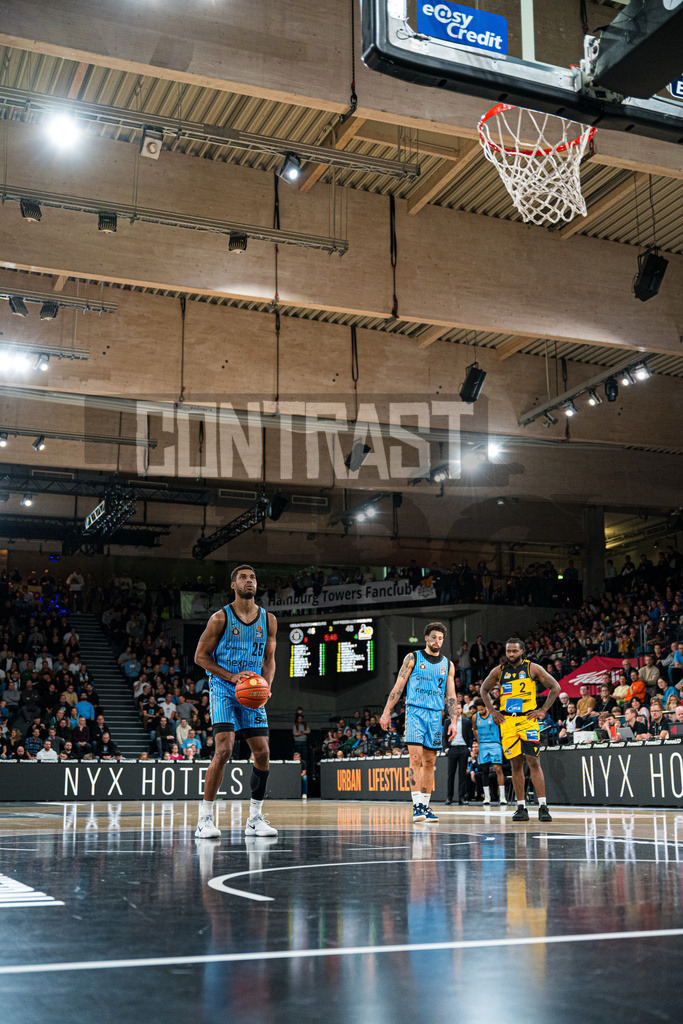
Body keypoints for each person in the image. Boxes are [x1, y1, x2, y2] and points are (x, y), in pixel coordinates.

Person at [193, 565, 277, 839]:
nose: (249, 581)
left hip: (252, 692)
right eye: (243, 577)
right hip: (224, 689)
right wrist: (231, 677)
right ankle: (205, 818)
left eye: (253, 576)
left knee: (263, 752)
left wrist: (266, 687)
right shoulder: (220, 618)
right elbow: (200, 657)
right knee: (225, 749)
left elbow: (269, 660)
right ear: (233, 585)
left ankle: (254, 819)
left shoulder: (269, 620)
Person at [380, 621, 457, 823]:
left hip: (435, 715)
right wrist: (387, 711)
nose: (437, 641)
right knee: (415, 758)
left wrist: (454, 721)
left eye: (440, 638)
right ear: (426, 638)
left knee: (430, 761)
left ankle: (425, 805)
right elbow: (399, 686)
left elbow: (451, 696)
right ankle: (416, 807)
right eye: (433, 637)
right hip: (415, 711)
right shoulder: (413, 657)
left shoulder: (448, 664)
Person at [480, 638, 560, 823]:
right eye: (509, 651)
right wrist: (492, 711)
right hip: (507, 721)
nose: (511, 654)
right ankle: (521, 807)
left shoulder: (533, 668)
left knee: (534, 762)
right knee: (516, 765)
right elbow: (484, 689)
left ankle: (543, 806)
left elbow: (555, 687)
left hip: (528, 720)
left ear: (522, 651)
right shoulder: (499, 671)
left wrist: (543, 710)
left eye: (515, 651)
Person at [472, 699, 507, 805]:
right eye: (479, 710)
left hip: (495, 743)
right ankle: (487, 797)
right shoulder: (475, 717)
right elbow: (474, 729)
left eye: (482, 709)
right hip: (483, 745)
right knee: (484, 770)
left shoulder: (493, 715)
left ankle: (502, 796)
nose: (481, 711)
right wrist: (479, 741)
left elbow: (502, 726)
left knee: (498, 769)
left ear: (486, 707)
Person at [442, 699, 474, 805]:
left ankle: (461, 798)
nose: (457, 709)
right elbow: (444, 737)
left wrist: (469, 748)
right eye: (455, 708)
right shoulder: (447, 721)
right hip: (452, 749)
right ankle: (449, 797)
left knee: (462, 775)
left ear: (461, 710)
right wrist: (446, 749)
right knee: (450, 774)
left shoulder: (466, 721)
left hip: (463, 748)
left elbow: (470, 736)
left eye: (459, 708)